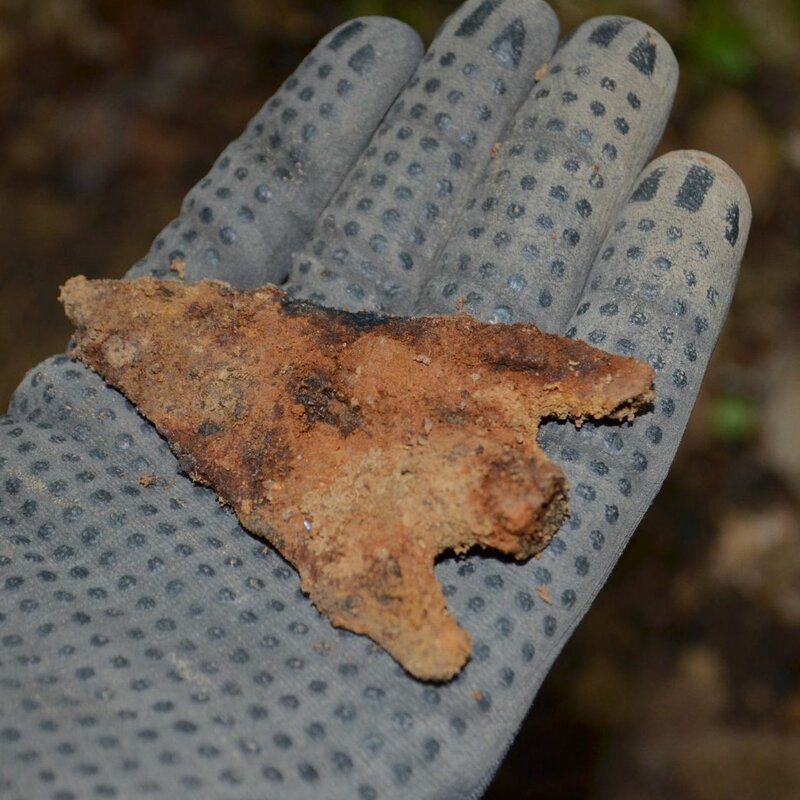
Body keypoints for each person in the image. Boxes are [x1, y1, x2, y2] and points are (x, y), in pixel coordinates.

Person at [0, 2, 750, 798]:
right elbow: (421, 627)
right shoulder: (391, 509)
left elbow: (604, 376)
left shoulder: (469, 412)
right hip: (208, 374)